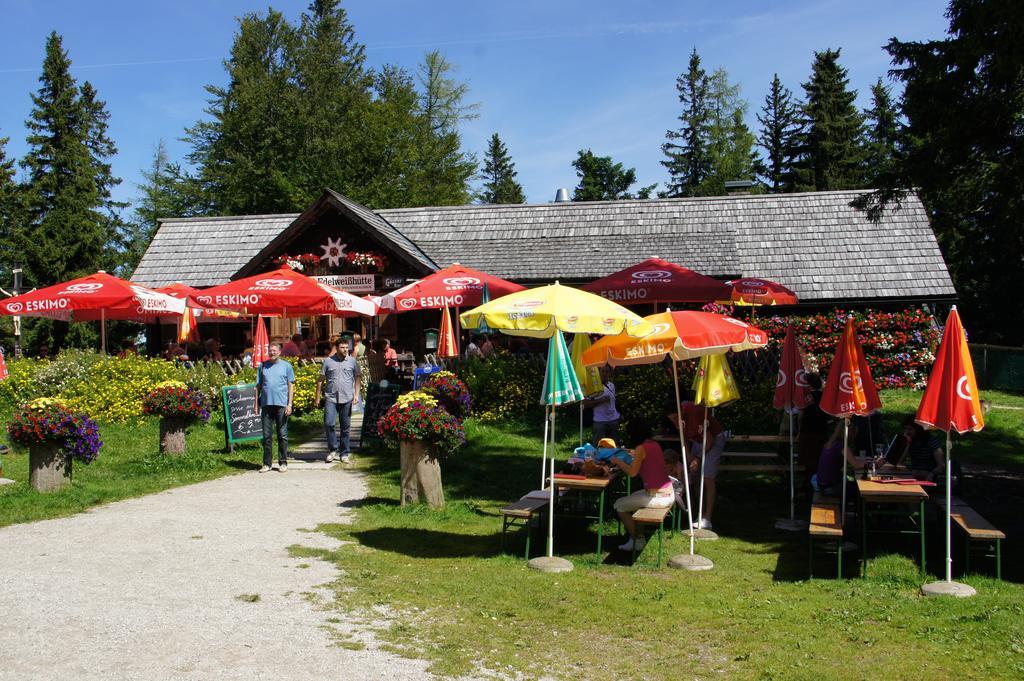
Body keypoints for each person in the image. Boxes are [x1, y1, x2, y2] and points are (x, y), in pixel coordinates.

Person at [609, 420, 674, 552]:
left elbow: (632, 473)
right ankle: (637, 536)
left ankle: (637, 540)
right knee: (632, 497)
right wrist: (634, 455)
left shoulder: (641, 448)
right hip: (669, 492)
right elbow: (646, 458)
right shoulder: (654, 444)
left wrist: (617, 461)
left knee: (619, 505)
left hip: (658, 497)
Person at [668, 398, 725, 530]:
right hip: (698, 442)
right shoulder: (678, 418)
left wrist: (697, 459)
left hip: (713, 440)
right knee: (694, 477)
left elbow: (710, 441)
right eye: (671, 419)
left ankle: (707, 518)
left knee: (707, 478)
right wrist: (689, 457)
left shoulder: (694, 412)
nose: (674, 421)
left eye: (676, 417)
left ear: (681, 410)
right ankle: (699, 513)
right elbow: (685, 439)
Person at [315, 338, 361, 464]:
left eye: (347, 347)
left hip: (347, 398)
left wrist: (356, 395)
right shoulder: (328, 362)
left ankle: (345, 452)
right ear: (336, 348)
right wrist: (318, 396)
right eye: (342, 347)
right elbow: (320, 380)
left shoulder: (352, 362)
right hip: (331, 398)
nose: (345, 350)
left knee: (345, 427)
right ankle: (332, 449)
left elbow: (357, 378)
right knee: (329, 423)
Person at [255, 341, 295, 473]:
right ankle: (267, 463)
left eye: (274, 351)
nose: (272, 353)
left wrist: (289, 404)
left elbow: (291, 386)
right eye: (270, 351)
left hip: (281, 405)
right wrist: (256, 404)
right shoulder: (262, 366)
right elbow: (258, 386)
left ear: (279, 352)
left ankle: (283, 462)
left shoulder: (286, 366)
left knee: (282, 434)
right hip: (266, 404)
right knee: (266, 436)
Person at [812, 421, 862, 495]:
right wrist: (874, 464)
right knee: (857, 488)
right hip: (831, 488)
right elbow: (856, 465)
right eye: (854, 433)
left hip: (821, 485)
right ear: (849, 433)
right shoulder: (842, 446)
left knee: (852, 485)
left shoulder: (830, 443)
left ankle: (850, 505)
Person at [798, 373, 830, 484]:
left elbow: (801, 416)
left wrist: (798, 431)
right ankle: (818, 483)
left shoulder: (806, 397)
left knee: (808, 462)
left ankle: (809, 485)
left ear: (808, 384)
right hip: (822, 431)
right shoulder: (825, 396)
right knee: (819, 460)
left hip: (807, 432)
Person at [583, 366, 620, 444]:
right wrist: (601, 400)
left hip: (613, 420)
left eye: (607, 371)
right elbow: (586, 404)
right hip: (600, 421)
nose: (605, 373)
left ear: (609, 373)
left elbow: (614, 402)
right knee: (599, 446)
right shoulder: (593, 387)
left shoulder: (611, 385)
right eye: (603, 371)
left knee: (614, 446)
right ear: (598, 373)